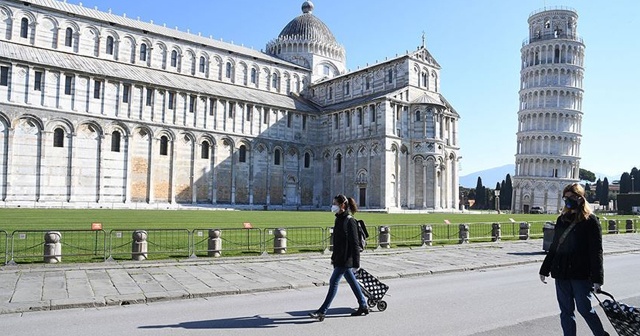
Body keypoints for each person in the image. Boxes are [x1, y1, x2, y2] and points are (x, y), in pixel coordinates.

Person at [539, 183, 609, 336]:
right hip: (561, 272)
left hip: (581, 274)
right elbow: (555, 246)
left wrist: (598, 279)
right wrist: (545, 268)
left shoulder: (590, 221)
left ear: (580, 198)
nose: (567, 201)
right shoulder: (562, 219)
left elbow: (596, 251)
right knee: (566, 312)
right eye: (565, 198)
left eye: (571, 197)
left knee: (585, 310)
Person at [309, 194, 369, 321]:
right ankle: (363, 305)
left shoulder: (349, 220)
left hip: (346, 259)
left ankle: (322, 311)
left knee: (333, 282)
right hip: (339, 258)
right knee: (352, 282)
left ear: (342, 205)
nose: (333, 206)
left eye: (335, 203)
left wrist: (356, 263)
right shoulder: (338, 219)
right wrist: (333, 257)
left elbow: (355, 244)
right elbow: (337, 242)